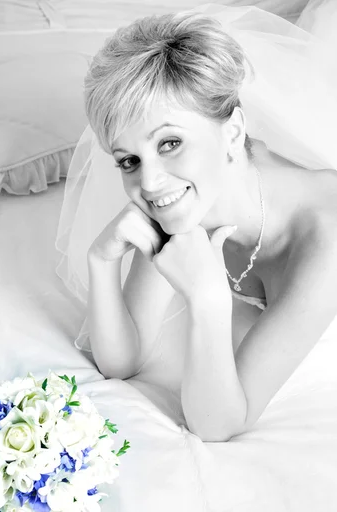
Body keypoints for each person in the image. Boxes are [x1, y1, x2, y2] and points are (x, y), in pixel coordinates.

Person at [55, 3, 337, 442]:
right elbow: (121, 361)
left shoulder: (324, 242)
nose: (148, 182)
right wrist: (102, 261)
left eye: (169, 143)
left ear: (233, 132)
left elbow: (220, 423)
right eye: (129, 160)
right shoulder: (182, 203)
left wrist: (207, 300)